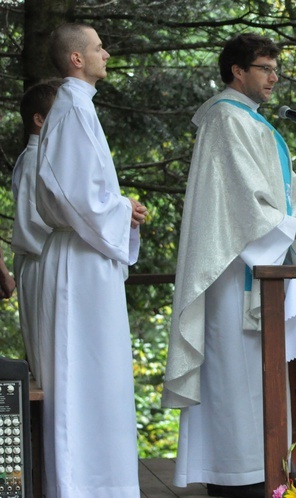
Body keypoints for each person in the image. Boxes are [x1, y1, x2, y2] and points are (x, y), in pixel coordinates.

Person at [162, 33, 296, 498]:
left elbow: (280, 189)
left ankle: (260, 472)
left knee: (254, 382)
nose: (274, 77)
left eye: (276, 68)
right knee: (233, 380)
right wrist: (290, 227)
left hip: (258, 270)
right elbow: (238, 202)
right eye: (264, 67)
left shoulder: (252, 122)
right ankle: (234, 478)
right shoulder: (225, 118)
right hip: (233, 272)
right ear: (237, 71)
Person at [35, 23, 148, 498]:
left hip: (89, 255)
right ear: (77, 59)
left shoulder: (79, 108)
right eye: (99, 47)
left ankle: (106, 483)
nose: (106, 53)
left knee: (101, 373)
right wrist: (122, 210)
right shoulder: (73, 110)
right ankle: (84, 485)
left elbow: (85, 192)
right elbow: (74, 195)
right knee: (81, 371)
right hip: (80, 259)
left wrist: (121, 209)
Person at [12, 79, 60, 388]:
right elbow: (37, 224)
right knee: (50, 362)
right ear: (39, 120)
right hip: (41, 261)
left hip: (44, 261)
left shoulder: (42, 159)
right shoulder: (34, 161)